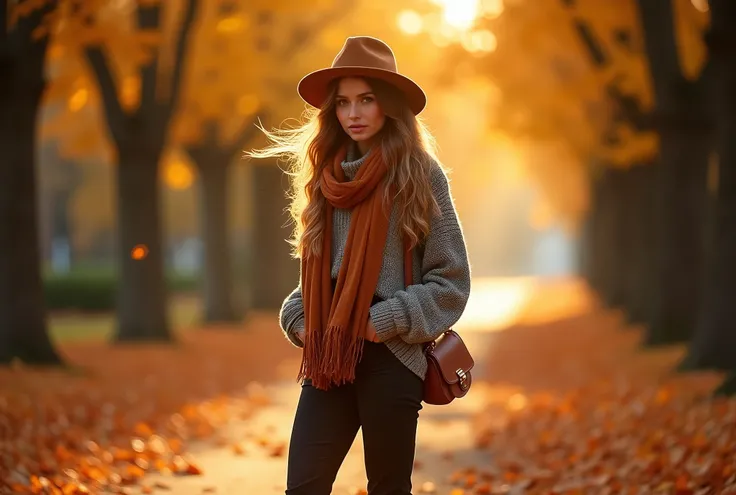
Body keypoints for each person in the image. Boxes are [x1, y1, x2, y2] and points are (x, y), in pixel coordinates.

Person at [248, 35, 471, 495]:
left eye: (366, 100)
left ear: (388, 105)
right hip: (329, 354)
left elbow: (451, 281)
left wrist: (384, 319)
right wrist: (298, 321)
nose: (353, 113)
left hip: (391, 353)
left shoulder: (420, 174)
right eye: (344, 102)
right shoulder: (323, 179)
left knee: (388, 488)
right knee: (304, 486)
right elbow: (314, 279)